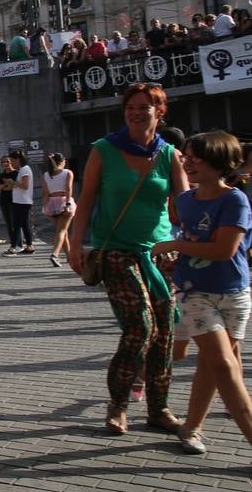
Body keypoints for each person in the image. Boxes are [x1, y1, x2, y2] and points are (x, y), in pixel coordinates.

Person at [68, 83, 188, 436]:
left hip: (160, 254)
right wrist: (76, 244)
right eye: (130, 107)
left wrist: (187, 245)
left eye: (144, 107)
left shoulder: (170, 155)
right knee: (141, 327)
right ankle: (118, 405)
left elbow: (185, 205)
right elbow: (86, 199)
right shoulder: (104, 150)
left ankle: (158, 408)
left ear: (159, 112)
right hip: (116, 250)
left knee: (165, 333)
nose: (136, 113)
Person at [151, 132, 252, 457]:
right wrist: (171, 259)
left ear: (219, 162)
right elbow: (186, 240)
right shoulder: (184, 200)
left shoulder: (235, 199)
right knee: (224, 365)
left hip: (233, 292)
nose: (188, 162)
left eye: (196, 157)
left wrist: (177, 246)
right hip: (194, 293)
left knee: (213, 365)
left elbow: (224, 250)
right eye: (187, 156)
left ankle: (191, 427)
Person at [41, 152, 76, 267]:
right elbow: (69, 188)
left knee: (62, 231)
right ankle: (55, 254)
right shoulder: (67, 172)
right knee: (61, 231)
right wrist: (67, 203)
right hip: (63, 201)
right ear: (61, 162)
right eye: (64, 160)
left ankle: (70, 256)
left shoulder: (46, 175)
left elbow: (45, 193)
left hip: (51, 202)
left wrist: (46, 207)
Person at [4, 150, 35, 255]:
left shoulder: (25, 170)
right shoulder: (23, 169)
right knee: (24, 224)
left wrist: (13, 182)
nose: (11, 163)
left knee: (17, 224)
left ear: (18, 159)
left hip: (22, 202)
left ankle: (14, 247)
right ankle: (29, 246)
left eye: (13, 160)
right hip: (21, 201)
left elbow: (25, 186)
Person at [0, 154, 16, 245]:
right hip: (4, 201)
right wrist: (5, 185)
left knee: (15, 222)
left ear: (11, 162)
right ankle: (13, 241)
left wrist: (5, 186)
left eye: (7, 161)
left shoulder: (16, 173)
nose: (5, 163)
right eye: (3, 162)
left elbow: (12, 187)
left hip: (15, 200)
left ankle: (19, 241)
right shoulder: (1, 175)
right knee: (8, 223)